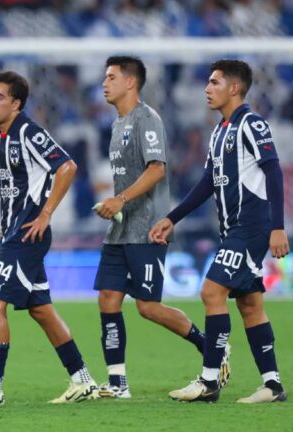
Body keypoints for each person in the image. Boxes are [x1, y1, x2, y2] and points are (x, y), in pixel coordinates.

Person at [150, 59, 289, 403]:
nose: (207, 88)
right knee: (250, 304)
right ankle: (272, 385)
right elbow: (207, 183)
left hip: (251, 225)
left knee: (212, 292)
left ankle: (209, 380)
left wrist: (278, 227)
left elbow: (274, 172)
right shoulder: (220, 131)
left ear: (235, 88)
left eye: (214, 82)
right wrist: (173, 217)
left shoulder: (251, 124)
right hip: (233, 230)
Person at [93, 56, 227, 399]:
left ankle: (212, 348)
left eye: (111, 77)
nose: (104, 83)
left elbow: (156, 169)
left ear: (130, 83)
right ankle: (117, 383)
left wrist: (119, 200)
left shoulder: (146, 120)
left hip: (147, 228)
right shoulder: (117, 124)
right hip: (120, 230)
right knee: (108, 300)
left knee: (148, 307)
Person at [0, 71, 98, 405]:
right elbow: (13, 187)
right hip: (15, 232)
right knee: (42, 310)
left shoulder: (28, 131)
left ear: (16, 103)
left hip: (28, 232)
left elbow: (67, 167)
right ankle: (83, 380)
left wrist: (45, 214)